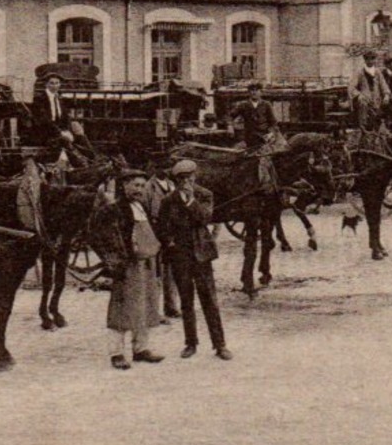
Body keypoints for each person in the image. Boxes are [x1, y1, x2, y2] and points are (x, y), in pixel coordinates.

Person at [155, 159, 231, 361]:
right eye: (181, 178)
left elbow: (205, 218)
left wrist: (190, 201)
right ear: (176, 180)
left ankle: (220, 345)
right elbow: (161, 227)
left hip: (201, 255)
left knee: (210, 301)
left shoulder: (204, 195)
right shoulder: (168, 201)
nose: (186, 182)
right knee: (186, 302)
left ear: (195, 176)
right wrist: (168, 242)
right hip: (180, 257)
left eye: (189, 177)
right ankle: (191, 343)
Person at [99, 170, 166, 370]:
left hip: (146, 263)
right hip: (127, 265)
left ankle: (141, 349)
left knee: (146, 303)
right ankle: (116, 353)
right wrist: (113, 259)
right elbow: (97, 233)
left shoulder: (141, 206)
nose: (139, 189)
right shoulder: (113, 209)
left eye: (142, 186)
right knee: (122, 308)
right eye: (135, 185)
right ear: (124, 186)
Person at [230, 82, 281, 152]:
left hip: (264, 136)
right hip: (249, 137)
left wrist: (271, 133)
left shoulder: (266, 105)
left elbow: (273, 122)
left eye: (256, 90)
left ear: (261, 92)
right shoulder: (243, 105)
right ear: (248, 92)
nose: (254, 92)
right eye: (252, 90)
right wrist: (230, 126)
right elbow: (230, 116)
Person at [351, 50, 387, 131]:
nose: (370, 61)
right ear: (365, 60)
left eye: (372, 59)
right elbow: (352, 87)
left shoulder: (377, 72)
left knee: (377, 116)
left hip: (376, 99)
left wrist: (386, 95)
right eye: (368, 59)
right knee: (363, 105)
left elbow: (383, 85)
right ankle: (362, 127)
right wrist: (359, 95)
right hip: (365, 98)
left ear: (375, 60)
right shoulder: (360, 72)